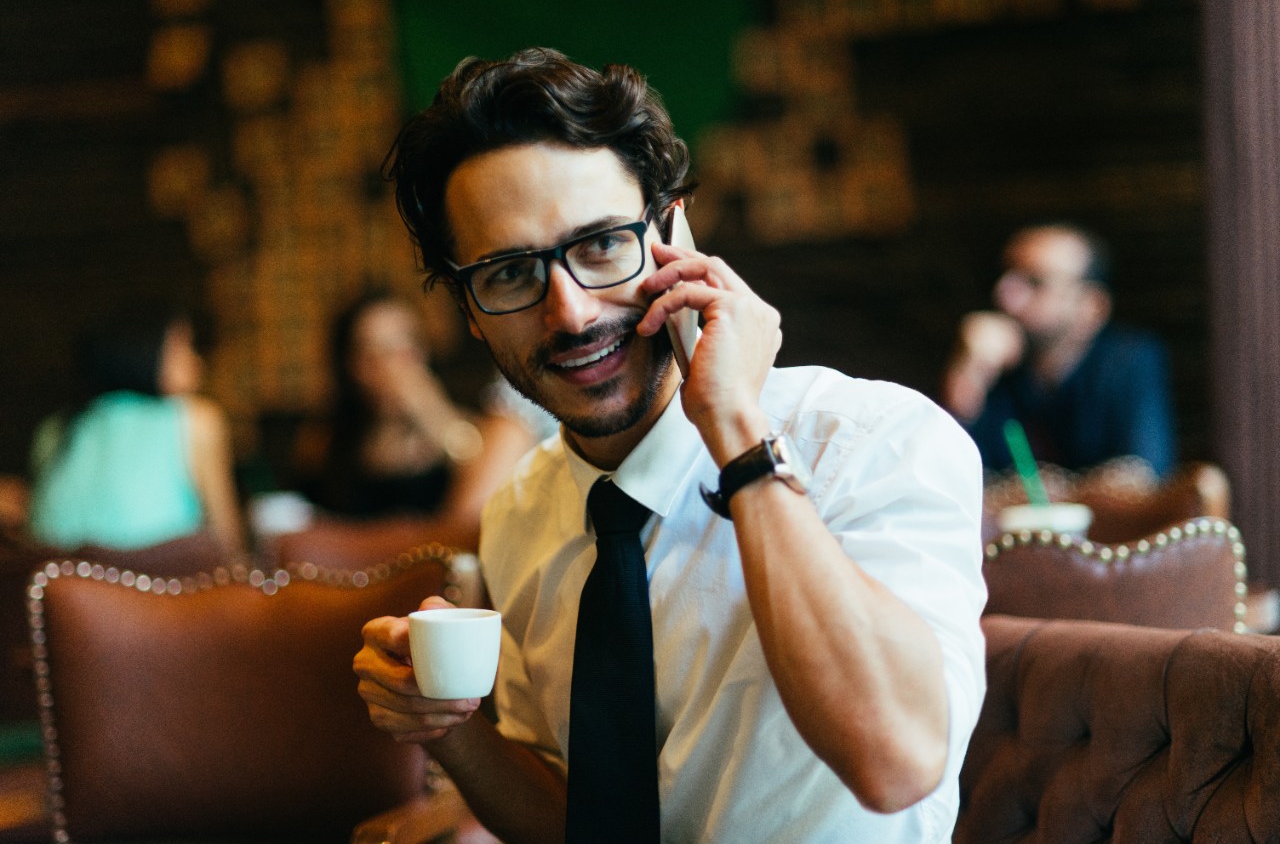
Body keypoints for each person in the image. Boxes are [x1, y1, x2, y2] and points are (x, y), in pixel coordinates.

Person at [353, 48, 986, 843]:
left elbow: (895, 762)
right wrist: (446, 723)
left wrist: (737, 434)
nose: (573, 313)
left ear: (672, 228)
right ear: (469, 308)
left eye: (601, 245)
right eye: (511, 273)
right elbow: (575, 824)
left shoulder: (875, 442)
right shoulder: (522, 510)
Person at [294, 288, 543, 532]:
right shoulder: (325, 443)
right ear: (350, 367)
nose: (389, 367)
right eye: (371, 354)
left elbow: (479, 502)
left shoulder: (479, 429)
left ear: (424, 351)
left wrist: (430, 412)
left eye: (401, 350)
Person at [941, 223, 1176, 478]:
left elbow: (1145, 479)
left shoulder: (1129, 360)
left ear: (1091, 307)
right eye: (1006, 276)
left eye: (1035, 282)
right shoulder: (994, 369)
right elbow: (952, 482)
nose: (1003, 294)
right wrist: (968, 376)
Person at [27, 306, 244, 555]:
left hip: (62, 588)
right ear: (144, 352)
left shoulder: (55, 427)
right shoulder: (195, 419)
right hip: (158, 585)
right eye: (184, 346)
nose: (197, 361)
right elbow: (226, 541)